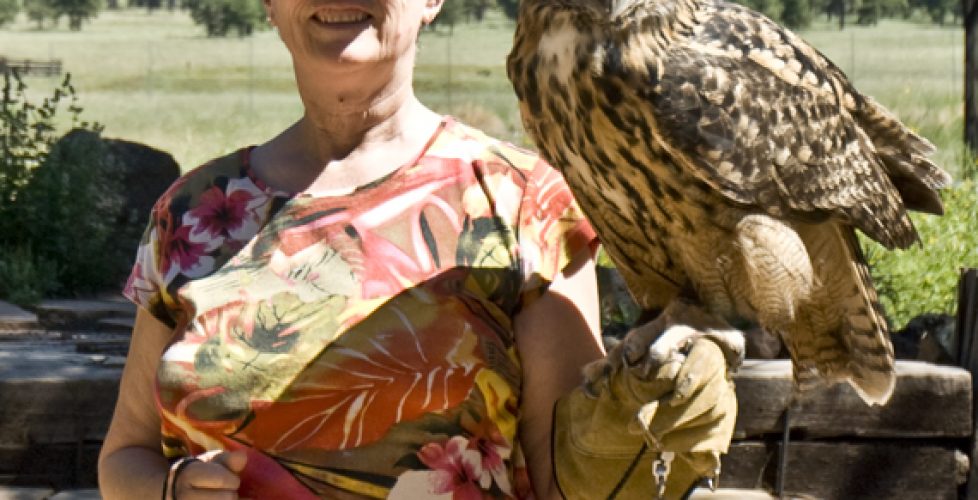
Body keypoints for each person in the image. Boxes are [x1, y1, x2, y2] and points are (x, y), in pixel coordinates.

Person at [97, 0, 738, 497]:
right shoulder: (192, 211)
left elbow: (569, 475)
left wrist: (645, 435)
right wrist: (170, 490)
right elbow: (124, 456)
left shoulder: (521, 202)